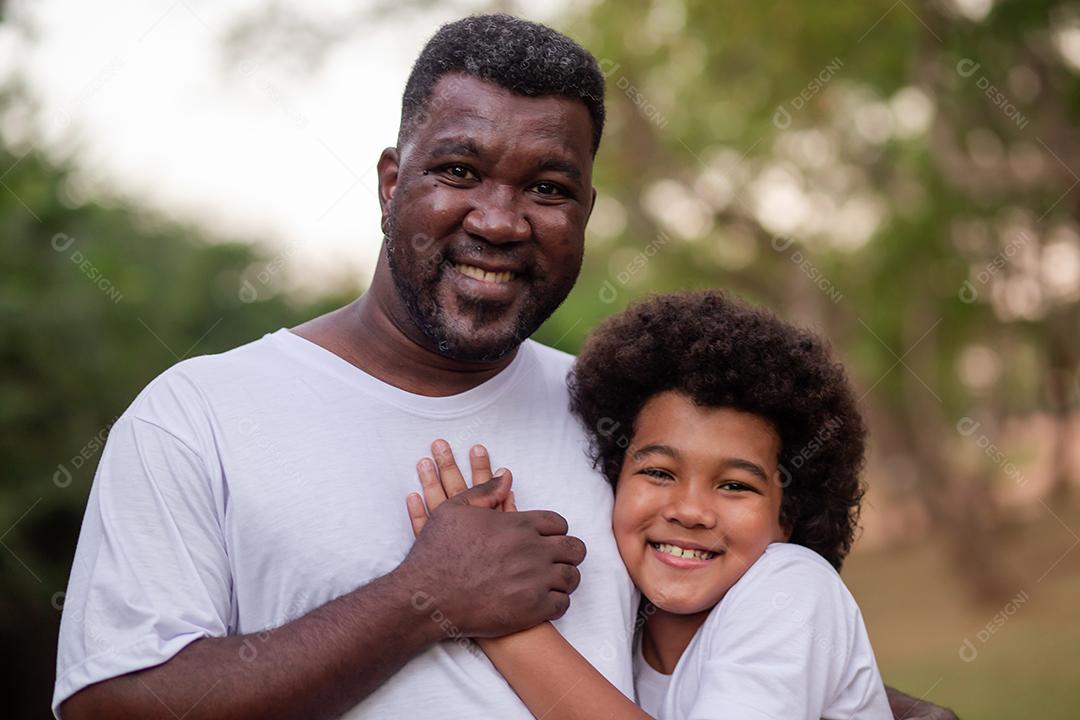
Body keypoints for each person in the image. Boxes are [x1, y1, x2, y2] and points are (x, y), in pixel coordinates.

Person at [53, 13, 956, 720]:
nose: (499, 219)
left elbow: (720, 641)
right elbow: (116, 700)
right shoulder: (201, 415)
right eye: (458, 169)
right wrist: (420, 600)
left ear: (587, 211)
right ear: (387, 182)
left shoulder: (622, 419)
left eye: (547, 188)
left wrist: (880, 707)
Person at [406, 291, 893, 719]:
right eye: (659, 473)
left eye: (735, 486)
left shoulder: (795, 588)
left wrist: (497, 614)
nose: (689, 510)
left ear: (788, 514)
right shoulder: (624, 642)